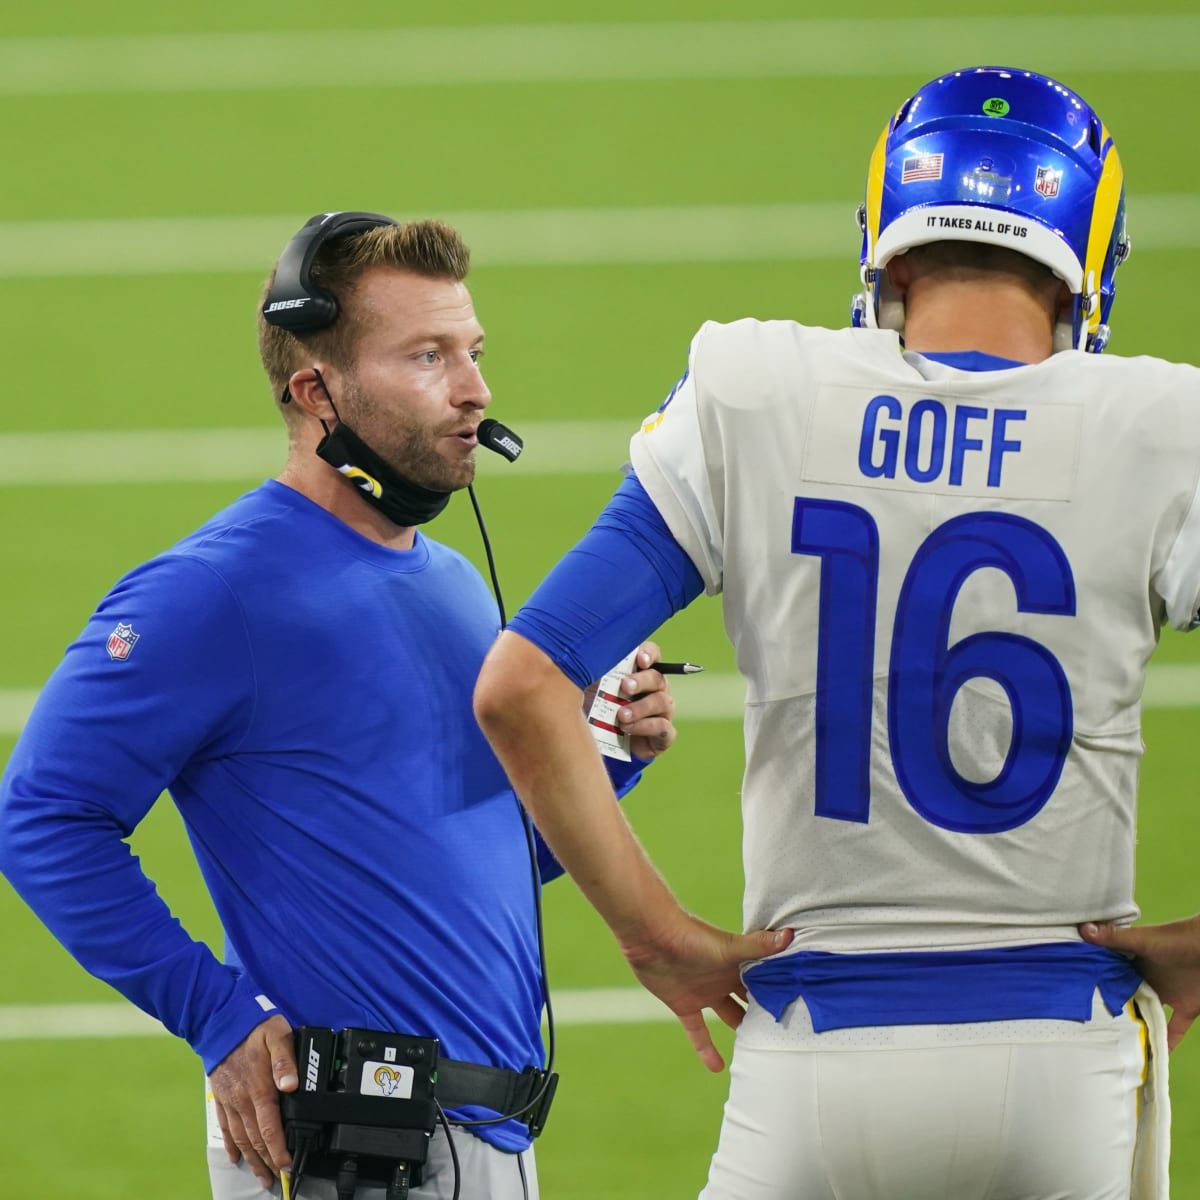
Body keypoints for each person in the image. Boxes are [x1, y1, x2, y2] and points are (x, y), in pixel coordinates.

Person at [474, 66, 1200, 1199]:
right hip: (1063, 1046)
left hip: (812, 1051)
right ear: (1083, 262)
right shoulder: (1162, 425)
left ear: (890, 248)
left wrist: (656, 936)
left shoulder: (758, 389)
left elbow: (520, 687)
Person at [0, 212, 692, 1200]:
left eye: (474, 350)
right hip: (352, 1155)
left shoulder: (452, 582)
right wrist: (219, 1017)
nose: (476, 388)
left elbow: (480, 863)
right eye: (427, 356)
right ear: (317, 391)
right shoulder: (212, 592)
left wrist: (607, 751)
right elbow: (42, 813)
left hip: (485, 1138)